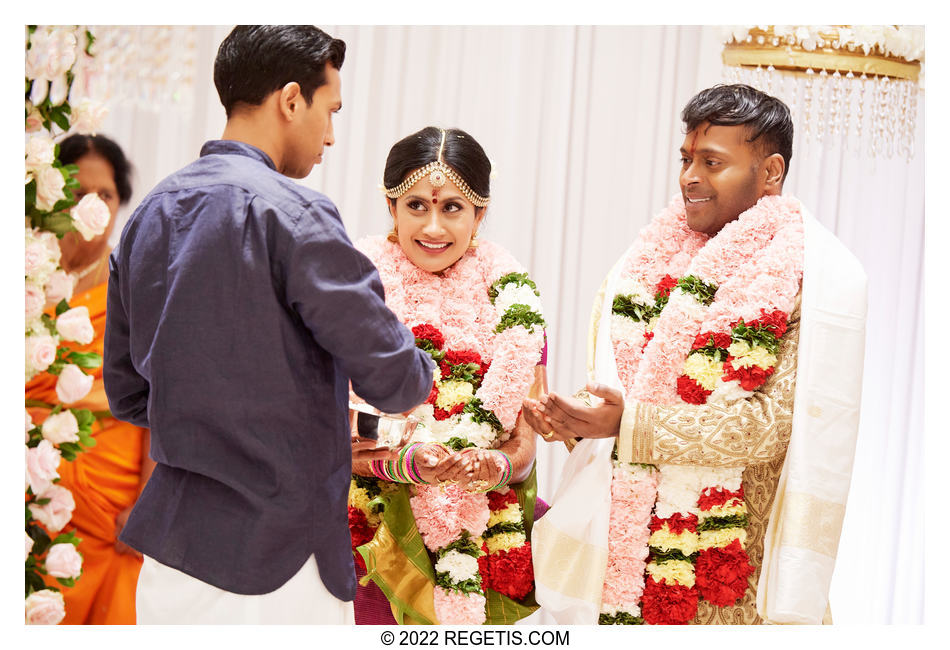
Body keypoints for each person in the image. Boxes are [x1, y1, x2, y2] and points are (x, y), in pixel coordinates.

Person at [102, 25, 433, 625]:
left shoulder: (147, 214)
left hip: (172, 561)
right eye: (329, 111)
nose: (330, 135)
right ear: (289, 100)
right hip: (278, 563)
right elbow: (397, 381)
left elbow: (127, 394)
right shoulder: (295, 213)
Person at [524, 84, 867, 625]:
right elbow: (625, 406)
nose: (689, 177)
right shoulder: (643, 266)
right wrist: (578, 427)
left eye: (712, 162)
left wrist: (627, 424)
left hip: (733, 569)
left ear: (771, 171)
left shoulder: (810, 279)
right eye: (686, 159)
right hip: (630, 557)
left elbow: (765, 428)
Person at [346, 127, 547, 625]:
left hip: (484, 524)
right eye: (416, 205)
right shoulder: (347, 290)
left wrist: (493, 466)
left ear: (480, 213)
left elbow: (525, 443)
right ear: (391, 206)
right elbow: (323, 426)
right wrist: (409, 464)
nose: (433, 226)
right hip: (373, 535)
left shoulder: (514, 301)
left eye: (452, 208)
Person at [26, 134, 153, 624]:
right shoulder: (25, 280)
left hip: (109, 494)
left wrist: (144, 501)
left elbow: (157, 399)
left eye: (107, 195)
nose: (94, 206)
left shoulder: (135, 287)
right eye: (81, 193)